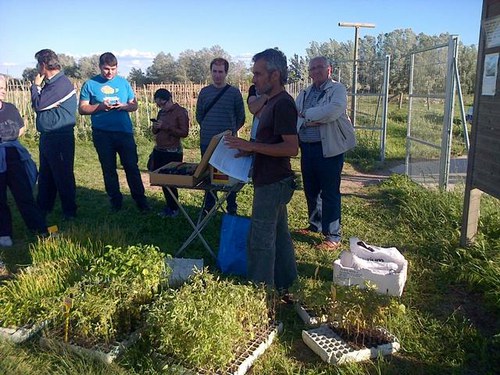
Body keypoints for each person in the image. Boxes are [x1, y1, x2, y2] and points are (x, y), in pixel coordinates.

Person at [225, 48, 298, 292]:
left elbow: (291, 147)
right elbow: (271, 142)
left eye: (258, 74)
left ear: (274, 75)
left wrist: (251, 145)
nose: (253, 79)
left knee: (260, 241)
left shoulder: (284, 104)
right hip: (269, 178)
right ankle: (288, 285)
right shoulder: (271, 102)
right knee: (279, 236)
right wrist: (250, 150)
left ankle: (261, 295)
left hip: (273, 182)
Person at [295, 56, 356, 250]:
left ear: (329, 69)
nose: (316, 71)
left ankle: (333, 236)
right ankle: (315, 225)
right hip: (307, 147)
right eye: (312, 68)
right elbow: (296, 112)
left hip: (328, 148)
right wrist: (314, 116)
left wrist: (308, 114)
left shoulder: (337, 89)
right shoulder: (304, 92)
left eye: (320, 67)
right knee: (311, 189)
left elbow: (334, 110)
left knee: (329, 192)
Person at [78, 52, 149, 212]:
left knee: (131, 166)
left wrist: (123, 106)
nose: (110, 72)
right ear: (100, 67)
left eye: (113, 68)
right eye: (106, 69)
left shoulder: (123, 84)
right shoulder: (90, 84)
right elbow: (82, 109)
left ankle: (141, 201)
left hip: (124, 132)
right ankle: (115, 202)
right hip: (102, 134)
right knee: (108, 168)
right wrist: (101, 107)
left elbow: (134, 105)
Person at [0, 75, 48, 247]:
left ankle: (38, 228)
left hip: (14, 156)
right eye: (0, 88)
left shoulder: (11, 108)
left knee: (24, 194)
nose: (3, 91)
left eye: (4, 87)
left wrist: (7, 135)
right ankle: (4, 233)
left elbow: (20, 129)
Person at [30, 49, 78, 221]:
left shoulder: (61, 84)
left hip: (59, 137)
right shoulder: (52, 84)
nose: (37, 68)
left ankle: (69, 211)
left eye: (38, 64)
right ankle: (44, 206)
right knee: (46, 174)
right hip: (48, 136)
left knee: (62, 174)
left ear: (43, 65)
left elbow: (38, 104)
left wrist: (35, 86)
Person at [196, 58, 245, 215]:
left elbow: (241, 117)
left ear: (226, 73)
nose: (217, 75)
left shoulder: (234, 93)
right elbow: (199, 116)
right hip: (206, 141)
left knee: (229, 175)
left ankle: (231, 207)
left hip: (227, 142)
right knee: (208, 174)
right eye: (214, 71)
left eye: (220, 72)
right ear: (211, 72)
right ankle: (209, 206)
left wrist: (230, 132)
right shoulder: (204, 92)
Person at [149, 89, 189, 218]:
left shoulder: (180, 112)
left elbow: (184, 132)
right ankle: (170, 205)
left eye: (163, 104)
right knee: (162, 181)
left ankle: (174, 208)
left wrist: (165, 126)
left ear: (169, 99)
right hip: (159, 150)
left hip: (172, 152)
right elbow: (156, 131)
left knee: (170, 182)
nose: (161, 107)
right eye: (159, 105)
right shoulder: (161, 113)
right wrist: (155, 127)